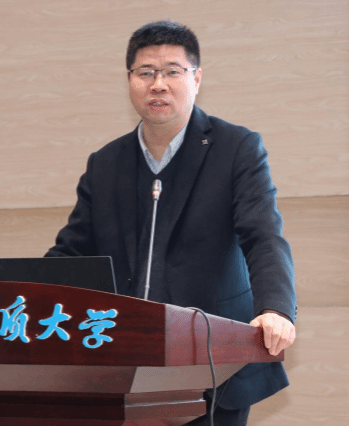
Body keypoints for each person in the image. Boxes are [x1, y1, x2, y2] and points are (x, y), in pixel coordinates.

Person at [46, 20, 297, 426]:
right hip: (123, 363)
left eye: (172, 72)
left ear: (196, 78)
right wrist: (17, 298)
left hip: (213, 361)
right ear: (129, 80)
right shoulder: (105, 163)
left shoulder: (236, 148)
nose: (158, 84)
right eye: (145, 72)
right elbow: (72, 253)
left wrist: (275, 309)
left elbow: (263, 234)